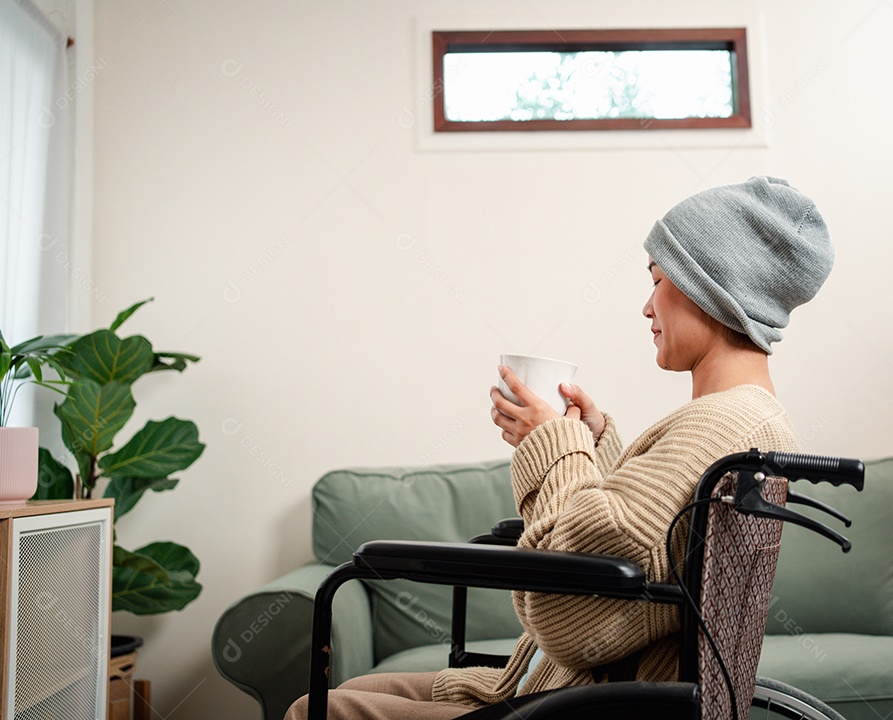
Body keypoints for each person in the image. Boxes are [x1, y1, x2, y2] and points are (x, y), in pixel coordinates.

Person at [285, 176, 834, 720]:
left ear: (708, 288)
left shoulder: (722, 425)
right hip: (549, 688)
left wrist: (552, 443)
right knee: (350, 694)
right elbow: (652, 546)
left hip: (577, 705)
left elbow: (571, 615)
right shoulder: (748, 419)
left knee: (315, 711)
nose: (647, 308)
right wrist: (591, 442)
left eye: (658, 279)